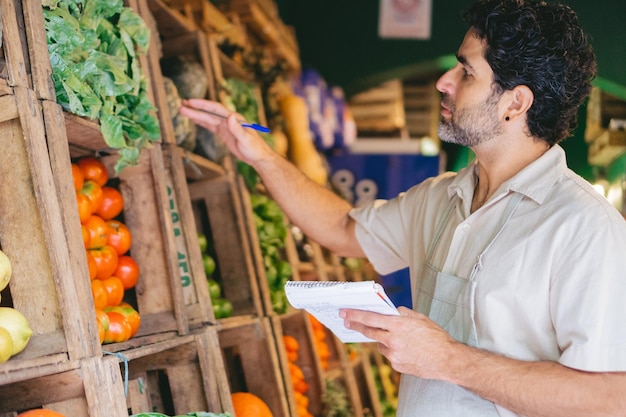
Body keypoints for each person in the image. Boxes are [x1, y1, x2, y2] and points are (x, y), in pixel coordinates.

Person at [179, 0, 626, 415]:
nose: (443, 82)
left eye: (466, 73)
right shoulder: (440, 196)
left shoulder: (585, 228)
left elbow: (610, 397)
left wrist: (450, 360)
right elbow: (340, 227)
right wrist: (260, 155)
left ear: (516, 103)